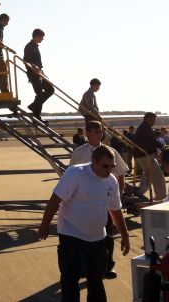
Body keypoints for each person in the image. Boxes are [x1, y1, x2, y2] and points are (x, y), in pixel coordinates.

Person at [38, 145, 130, 302]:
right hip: (71, 234)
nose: (109, 170)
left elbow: (115, 210)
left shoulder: (112, 181)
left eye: (112, 167)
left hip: (97, 238)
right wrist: (44, 224)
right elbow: (55, 200)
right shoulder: (76, 173)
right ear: (94, 161)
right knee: (70, 280)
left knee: (96, 281)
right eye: (105, 166)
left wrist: (125, 235)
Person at [69, 120, 129, 280]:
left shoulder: (111, 151)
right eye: (95, 131)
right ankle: (83, 267)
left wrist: (118, 195)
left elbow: (120, 174)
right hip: (83, 203)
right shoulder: (79, 153)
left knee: (107, 236)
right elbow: (70, 177)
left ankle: (107, 266)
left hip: (104, 201)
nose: (98, 134)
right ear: (87, 133)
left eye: (100, 131)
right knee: (81, 235)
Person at [132, 112, 166, 200]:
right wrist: (162, 147)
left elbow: (151, 142)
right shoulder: (145, 128)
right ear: (148, 119)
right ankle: (161, 198)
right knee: (158, 178)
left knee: (148, 176)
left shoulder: (143, 127)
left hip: (141, 155)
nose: (154, 122)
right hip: (145, 155)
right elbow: (151, 142)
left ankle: (138, 192)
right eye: (154, 120)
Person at [23, 28, 54, 119]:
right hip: (33, 74)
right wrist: (34, 67)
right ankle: (37, 115)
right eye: (42, 37)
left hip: (39, 73)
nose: (42, 39)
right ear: (37, 36)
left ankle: (33, 106)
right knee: (39, 94)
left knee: (50, 89)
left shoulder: (35, 46)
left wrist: (43, 74)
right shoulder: (29, 46)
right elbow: (25, 60)